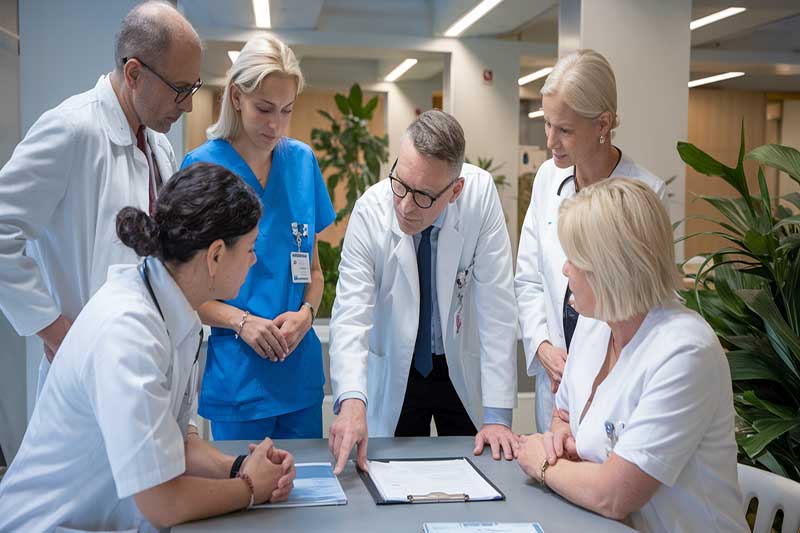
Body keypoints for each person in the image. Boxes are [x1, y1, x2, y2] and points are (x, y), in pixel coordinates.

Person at [0, 163, 296, 532]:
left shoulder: (172, 311)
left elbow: (175, 443)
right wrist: (250, 488)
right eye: (250, 248)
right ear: (216, 254)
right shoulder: (127, 332)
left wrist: (237, 468)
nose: (253, 260)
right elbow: (163, 502)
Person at [515, 178, 748, 533]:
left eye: (573, 260)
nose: (565, 271)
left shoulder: (684, 351)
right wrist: (559, 438)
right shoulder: (596, 326)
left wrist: (543, 464)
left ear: (610, 269)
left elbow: (614, 495)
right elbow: (563, 413)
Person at [0, 1, 202, 396]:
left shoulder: (160, 148)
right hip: (85, 372)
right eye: (180, 89)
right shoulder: (72, 129)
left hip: (146, 363)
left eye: (192, 88)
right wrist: (58, 333)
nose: (189, 104)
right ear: (134, 73)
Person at [328, 110, 518, 474]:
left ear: (455, 191)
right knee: (387, 475)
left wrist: (497, 416)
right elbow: (351, 313)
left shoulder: (479, 198)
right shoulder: (371, 210)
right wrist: (352, 400)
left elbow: (497, 306)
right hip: (400, 366)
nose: (405, 205)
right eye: (400, 183)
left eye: (424, 196)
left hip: (457, 364)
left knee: (482, 471)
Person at [181, 35, 335, 440]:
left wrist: (305, 315)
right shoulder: (203, 168)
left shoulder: (301, 162)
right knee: (244, 493)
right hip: (239, 379)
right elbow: (182, 289)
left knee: (305, 495)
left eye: (286, 111)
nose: (275, 125)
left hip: (298, 375)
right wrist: (241, 322)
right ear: (236, 96)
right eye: (263, 109)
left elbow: (314, 272)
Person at [515, 49, 666, 432]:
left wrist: (586, 364)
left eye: (564, 130)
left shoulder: (645, 192)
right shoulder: (547, 179)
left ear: (603, 123)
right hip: (554, 375)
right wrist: (543, 348)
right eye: (547, 124)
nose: (550, 141)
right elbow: (529, 278)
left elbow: (640, 304)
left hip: (612, 378)